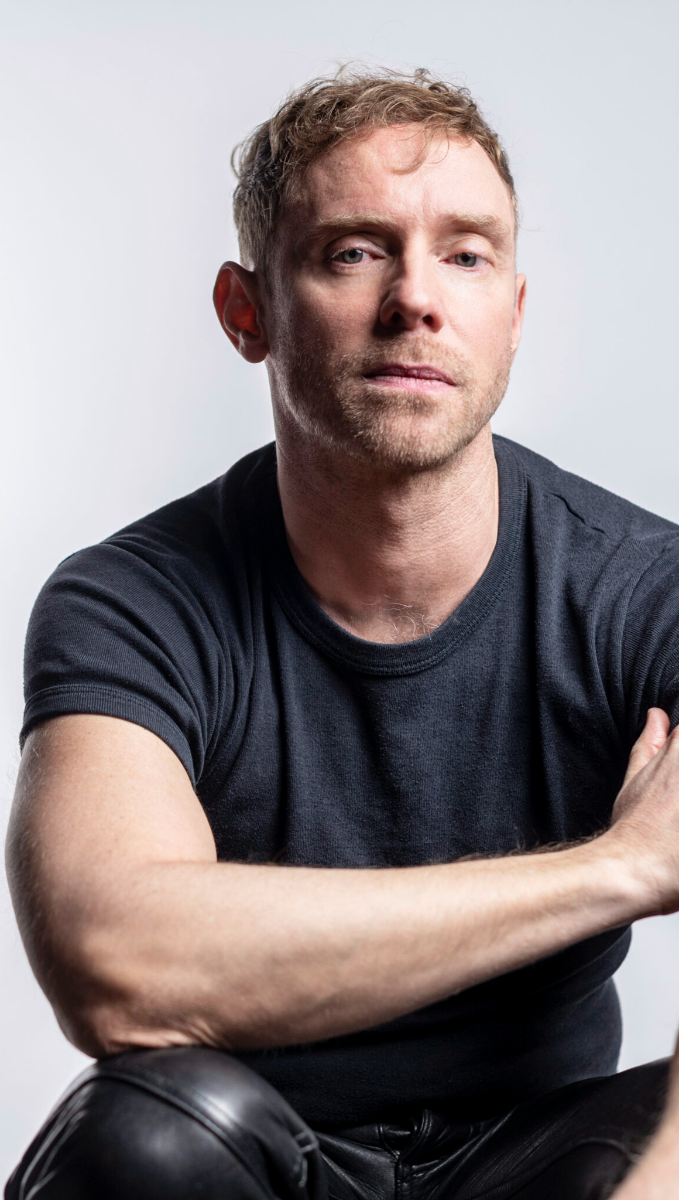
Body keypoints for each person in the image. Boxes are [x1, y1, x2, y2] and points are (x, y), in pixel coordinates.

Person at [6, 66, 679, 1199]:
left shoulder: (640, 592)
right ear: (247, 312)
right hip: (260, 1163)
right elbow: (114, 965)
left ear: (513, 316)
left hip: (551, 1161)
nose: (416, 299)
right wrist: (620, 869)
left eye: (465, 256)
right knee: (144, 1138)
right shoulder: (134, 601)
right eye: (354, 252)